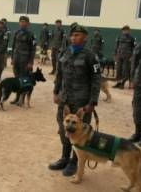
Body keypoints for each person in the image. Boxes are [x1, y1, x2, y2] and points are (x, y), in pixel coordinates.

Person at [49, 24, 101, 177]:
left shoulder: (91, 56)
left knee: (79, 132)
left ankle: (74, 161)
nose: (74, 37)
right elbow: (59, 74)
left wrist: (92, 102)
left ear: (85, 38)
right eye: (72, 35)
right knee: (63, 128)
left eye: (78, 35)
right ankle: (64, 158)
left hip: (81, 101)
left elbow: (96, 80)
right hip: (64, 99)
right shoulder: (65, 52)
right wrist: (55, 91)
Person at [129, 43, 141, 146]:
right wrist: (132, 79)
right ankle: (137, 133)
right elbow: (134, 62)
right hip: (140, 82)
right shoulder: (140, 46)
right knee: (137, 108)